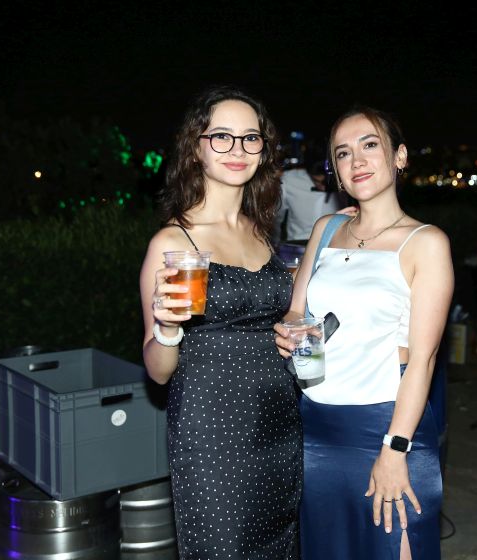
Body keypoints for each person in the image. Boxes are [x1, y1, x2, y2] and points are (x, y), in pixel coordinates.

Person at [275, 106, 454, 559]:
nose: (356, 160)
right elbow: (297, 310)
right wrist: (290, 333)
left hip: (387, 424)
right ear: (335, 170)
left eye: (369, 145)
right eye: (342, 152)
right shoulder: (326, 228)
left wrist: (395, 449)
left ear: (400, 156)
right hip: (316, 425)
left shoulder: (426, 243)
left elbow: (424, 361)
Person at [139, 86, 300, 559]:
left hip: (279, 422)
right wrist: (167, 328)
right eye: (222, 136)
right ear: (196, 147)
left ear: (263, 151)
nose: (237, 149)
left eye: (251, 138)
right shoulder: (174, 242)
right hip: (213, 432)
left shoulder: (262, 233)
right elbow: (158, 371)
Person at [273, 159, 346, 244]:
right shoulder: (289, 180)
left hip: (333, 244)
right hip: (297, 243)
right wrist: (275, 242)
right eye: (317, 181)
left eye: (326, 182)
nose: (323, 187)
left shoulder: (346, 181)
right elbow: (277, 217)